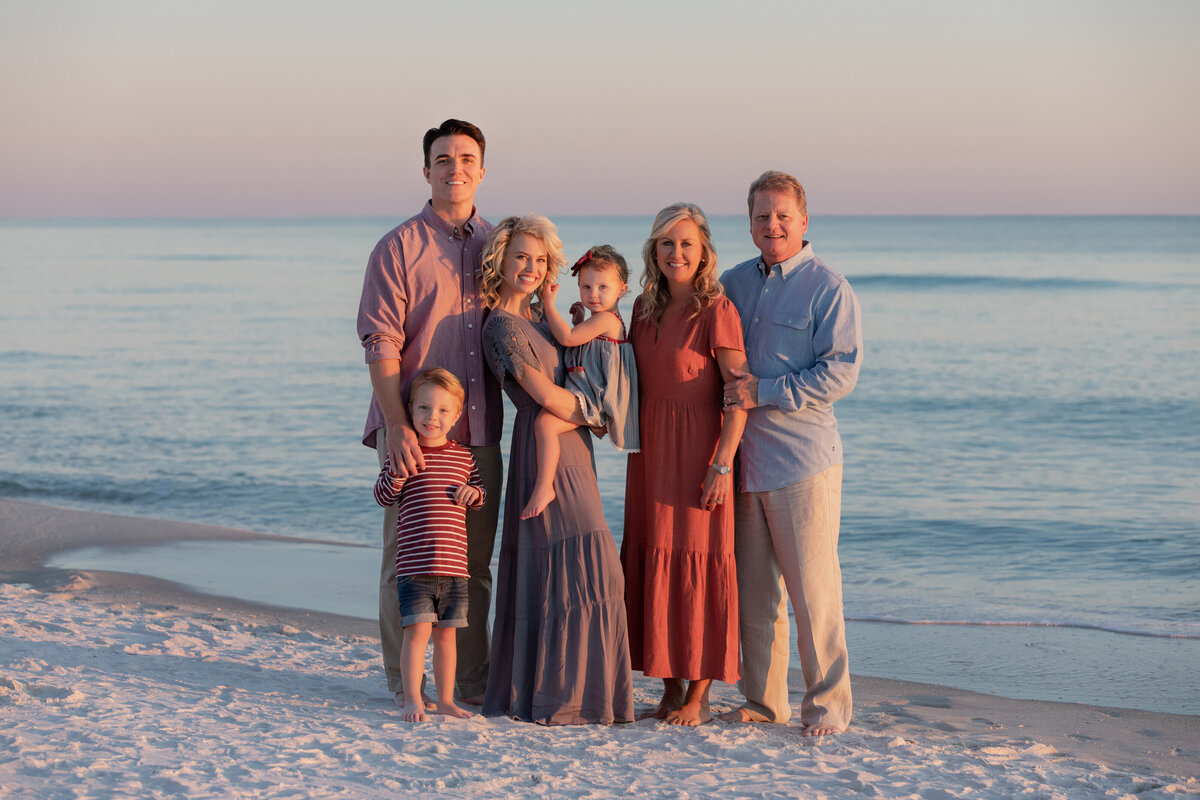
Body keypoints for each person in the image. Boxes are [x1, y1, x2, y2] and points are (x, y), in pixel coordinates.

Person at [357, 119, 503, 708]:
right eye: (443, 159)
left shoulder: (498, 244)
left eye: (466, 158)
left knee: (474, 565)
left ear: (482, 170)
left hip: (480, 431)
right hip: (413, 431)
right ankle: (405, 683)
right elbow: (380, 342)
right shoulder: (397, 247)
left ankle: (468, 685)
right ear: (427, 170)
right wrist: (396, 427)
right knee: (407, 561)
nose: (455, 168)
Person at [717, 170, 863, 736]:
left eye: (782, 215)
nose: (771, 224)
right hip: (744, 465)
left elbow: (840, 373)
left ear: (804, 222)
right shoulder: (732, 282)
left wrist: (765, 392)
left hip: (804, 464)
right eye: (761, 215)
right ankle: (764, 702)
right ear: (750, 223)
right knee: (756, 599)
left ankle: (828, 707)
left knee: (814, 594)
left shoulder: (829, 288)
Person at [478, 214, 634, 725]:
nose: (530, 266)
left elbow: (584, 354)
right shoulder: (501, 326)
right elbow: (542, 395)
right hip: (542, 438)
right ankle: (556, 696)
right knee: (568, 567)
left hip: (570, 445)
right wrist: (599, 415)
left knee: (595, 571)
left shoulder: (548, 321)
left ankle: (591, 694)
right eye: (521, 255)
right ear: (499, 259)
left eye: (540, 259)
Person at [621, 203, 748, 726]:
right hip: (650, 454)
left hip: (701, 452)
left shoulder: (717, 309)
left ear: (703, 253)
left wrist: (722, 465)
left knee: (700, 561)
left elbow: (740, 394)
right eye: (667, 243)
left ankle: (699, 695)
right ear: (654, 249)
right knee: (654, 559)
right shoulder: (643, 309)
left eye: (687, 244)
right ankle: (670, 688)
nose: (676, 253)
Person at [373, 368, 486, 722]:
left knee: (447, 638)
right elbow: (382, 496)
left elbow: (479, 494)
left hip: (453, 567)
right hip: (414, 567)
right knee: (417, 636)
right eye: (423, 408)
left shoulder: (463, 457)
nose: (431, 417)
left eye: (441, 411)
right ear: (410, 409)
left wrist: (474, 494)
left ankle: (448, 700)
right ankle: (413, 700)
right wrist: (396, 474)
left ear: (456, 416)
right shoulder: (404, 453)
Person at [522, 244, 639, 519]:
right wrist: (579, 319)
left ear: (621, 289)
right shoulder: (598, 320)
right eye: (586, 287)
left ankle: (544, 487)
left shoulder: (608, 320)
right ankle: (544, 485)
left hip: (593, 400)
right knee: (546, 423)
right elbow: (585, 347)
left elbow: (568, 339)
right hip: (585, 393)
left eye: (602, 287)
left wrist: (549, 305)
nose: (593, 294)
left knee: (545, 423)